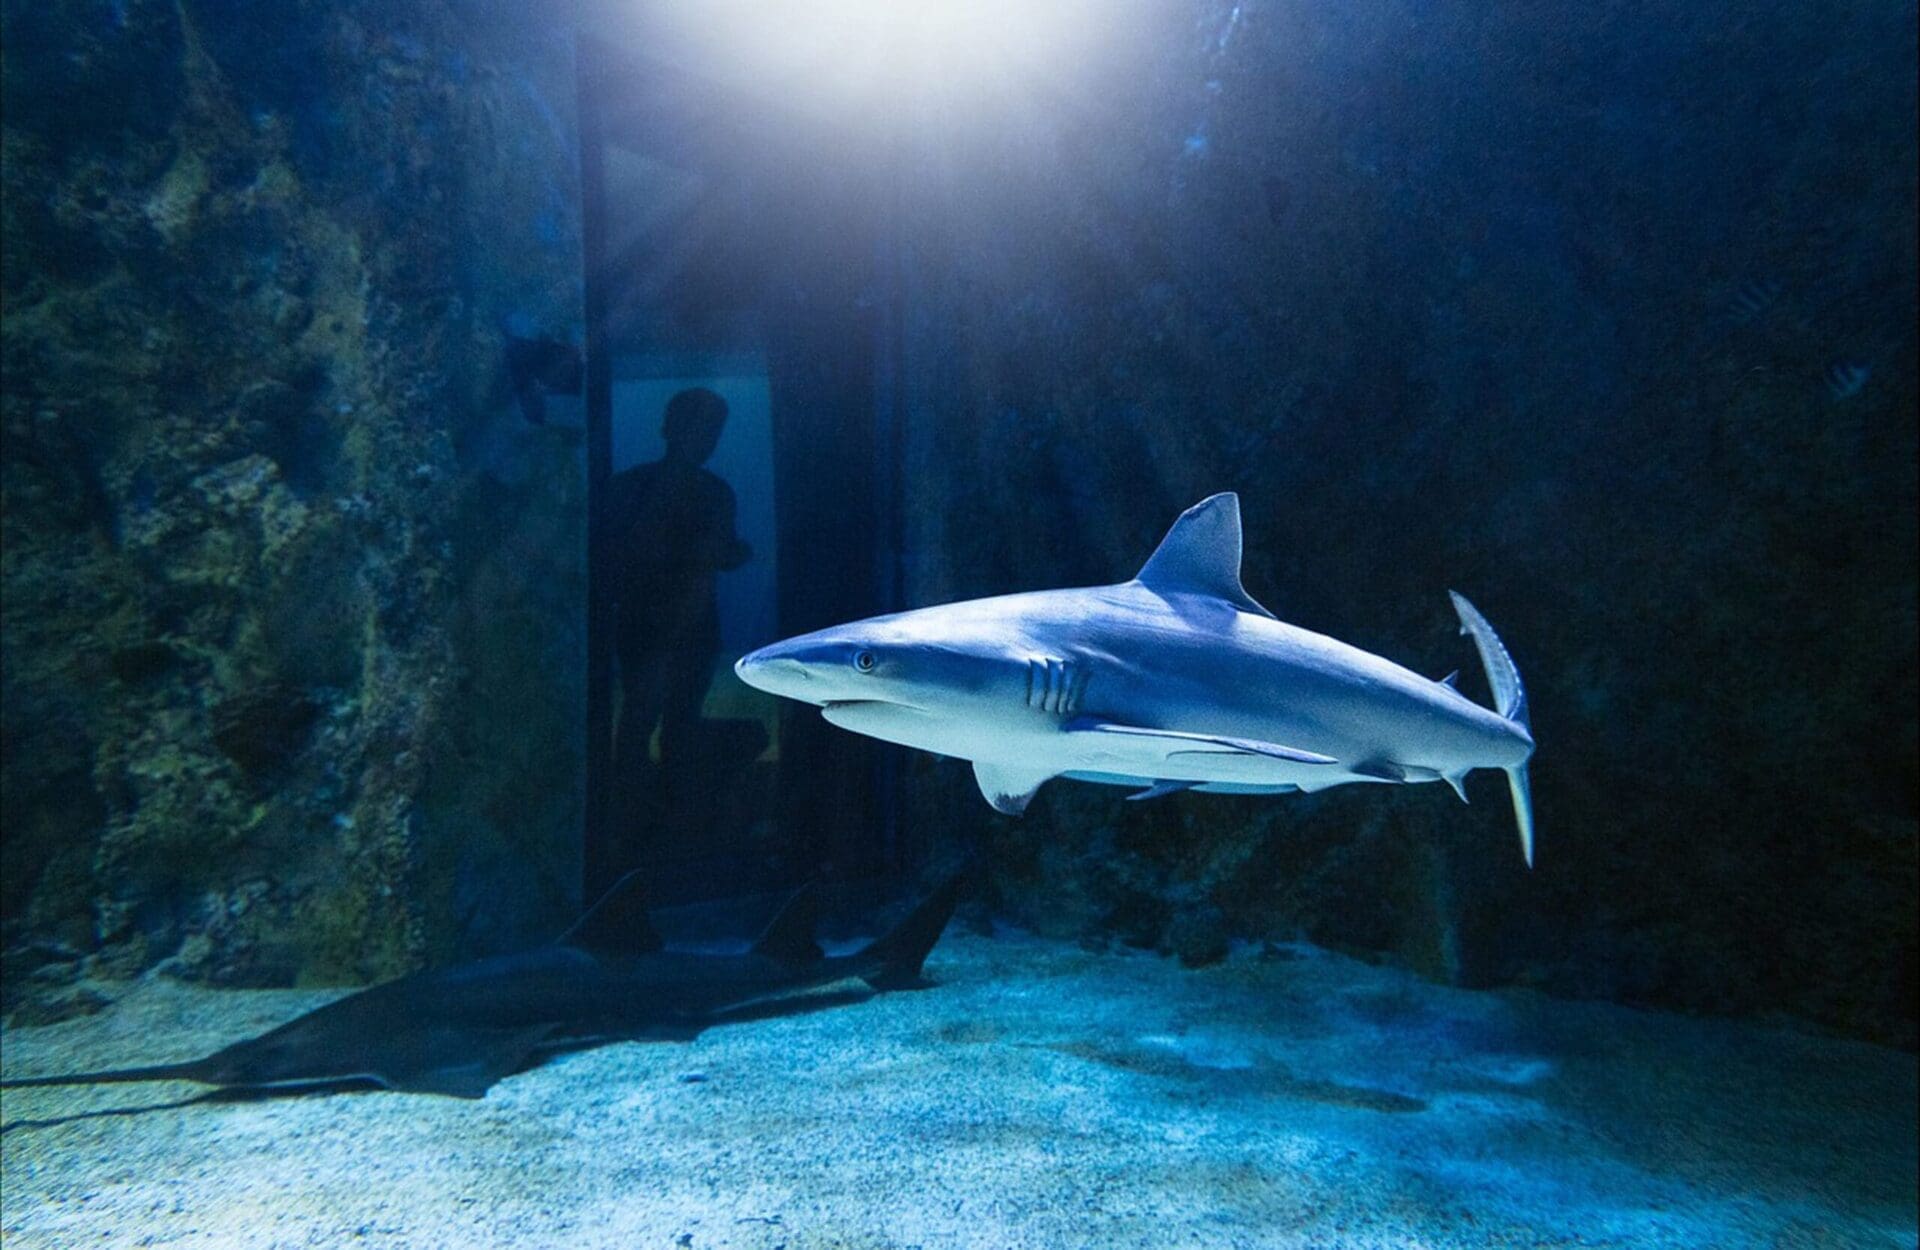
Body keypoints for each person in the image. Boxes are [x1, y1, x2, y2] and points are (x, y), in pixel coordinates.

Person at [608, 388, 753, 848]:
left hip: (692, 629)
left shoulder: (710, 492)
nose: (706, 439)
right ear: (670, 427)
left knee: (677, 722)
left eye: (712, 431)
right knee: (640, 722)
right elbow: (619, 555)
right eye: (699, 427)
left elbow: (721, 551)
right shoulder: (633, 488)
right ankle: (633, 823)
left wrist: (725, 553)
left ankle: (666, 822)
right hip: (647, 627)